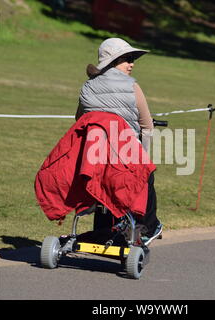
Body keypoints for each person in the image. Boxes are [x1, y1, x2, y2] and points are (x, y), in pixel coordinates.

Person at [75, 38, 163, 245]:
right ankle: (149, 227)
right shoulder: (132, 87)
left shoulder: (87, 87)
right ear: (113, 61)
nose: (132, 64)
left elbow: (80, 120)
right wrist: (145, 157)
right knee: (146, 176)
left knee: (104, 180)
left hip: (93, 159)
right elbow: (147, 126)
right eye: (127, 59)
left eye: (132, 59)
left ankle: (103, 231)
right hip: (124, 158)